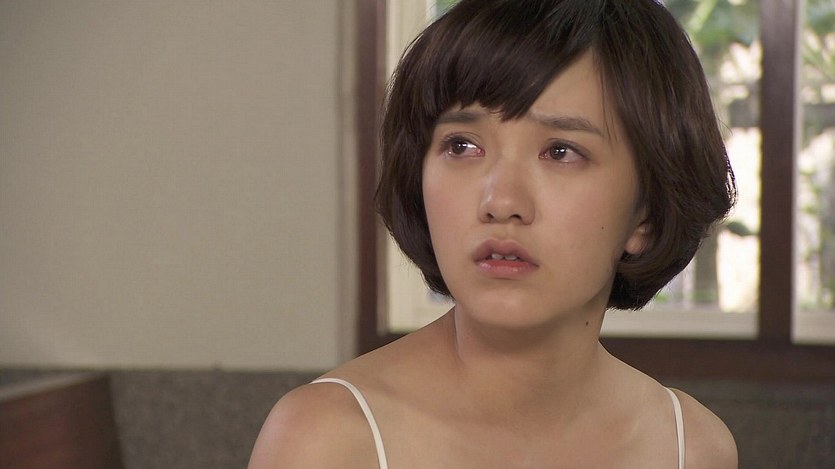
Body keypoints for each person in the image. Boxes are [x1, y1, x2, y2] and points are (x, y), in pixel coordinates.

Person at [249, 0, 738, 467]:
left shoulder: (692, 448)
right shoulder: (327, 439)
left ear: (646, 215)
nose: (501, 202)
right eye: (462, 146)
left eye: (561, 152)